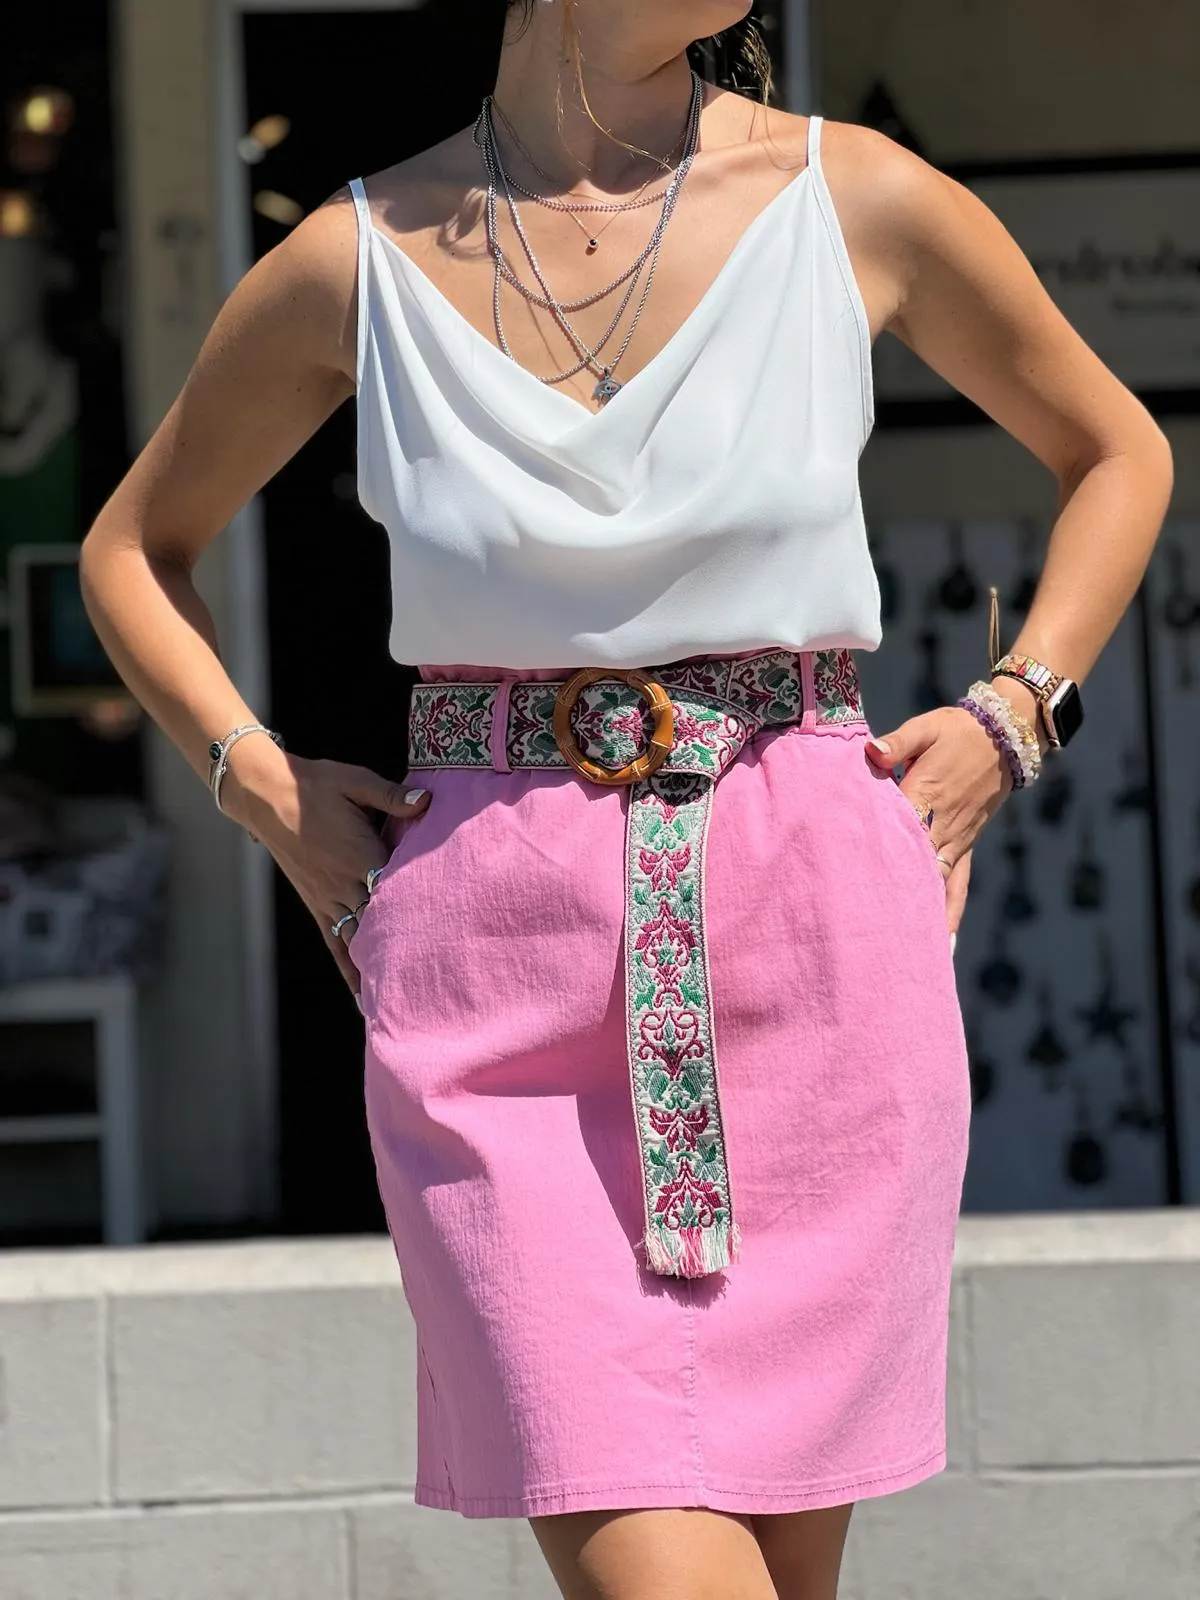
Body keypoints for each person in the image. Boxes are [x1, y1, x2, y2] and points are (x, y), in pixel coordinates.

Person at [79, 3, 1172, 1596]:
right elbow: (131, 545)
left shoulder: (850, 196)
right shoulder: (354, 254)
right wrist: (256, 783)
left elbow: (1118, 450)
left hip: (819, 957)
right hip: (493, 990)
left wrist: (1020, 711)